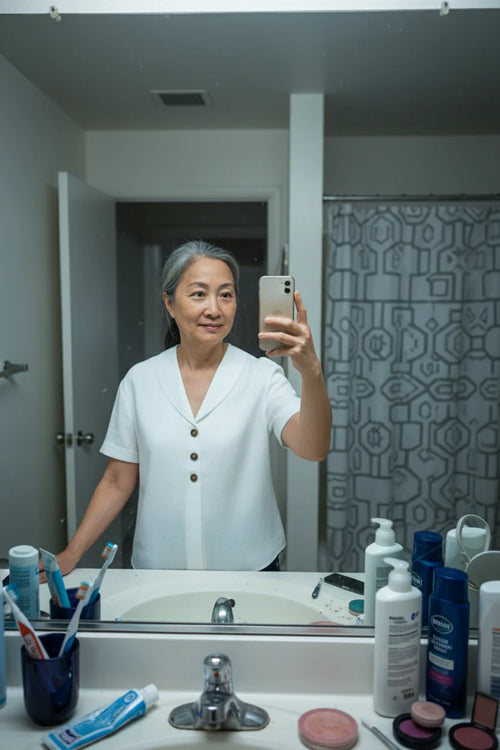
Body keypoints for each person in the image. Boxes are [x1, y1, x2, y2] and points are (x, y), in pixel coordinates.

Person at [54, 240, 332, 573]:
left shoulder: (261, 376)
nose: (214, 309)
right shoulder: (140, 381)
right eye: (199, 294)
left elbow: (314, 448)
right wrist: (72, 552)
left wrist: (311, 371)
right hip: (158, 570)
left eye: (226, 295)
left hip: (250, 569)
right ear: (170, 303)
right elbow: (116, 481)